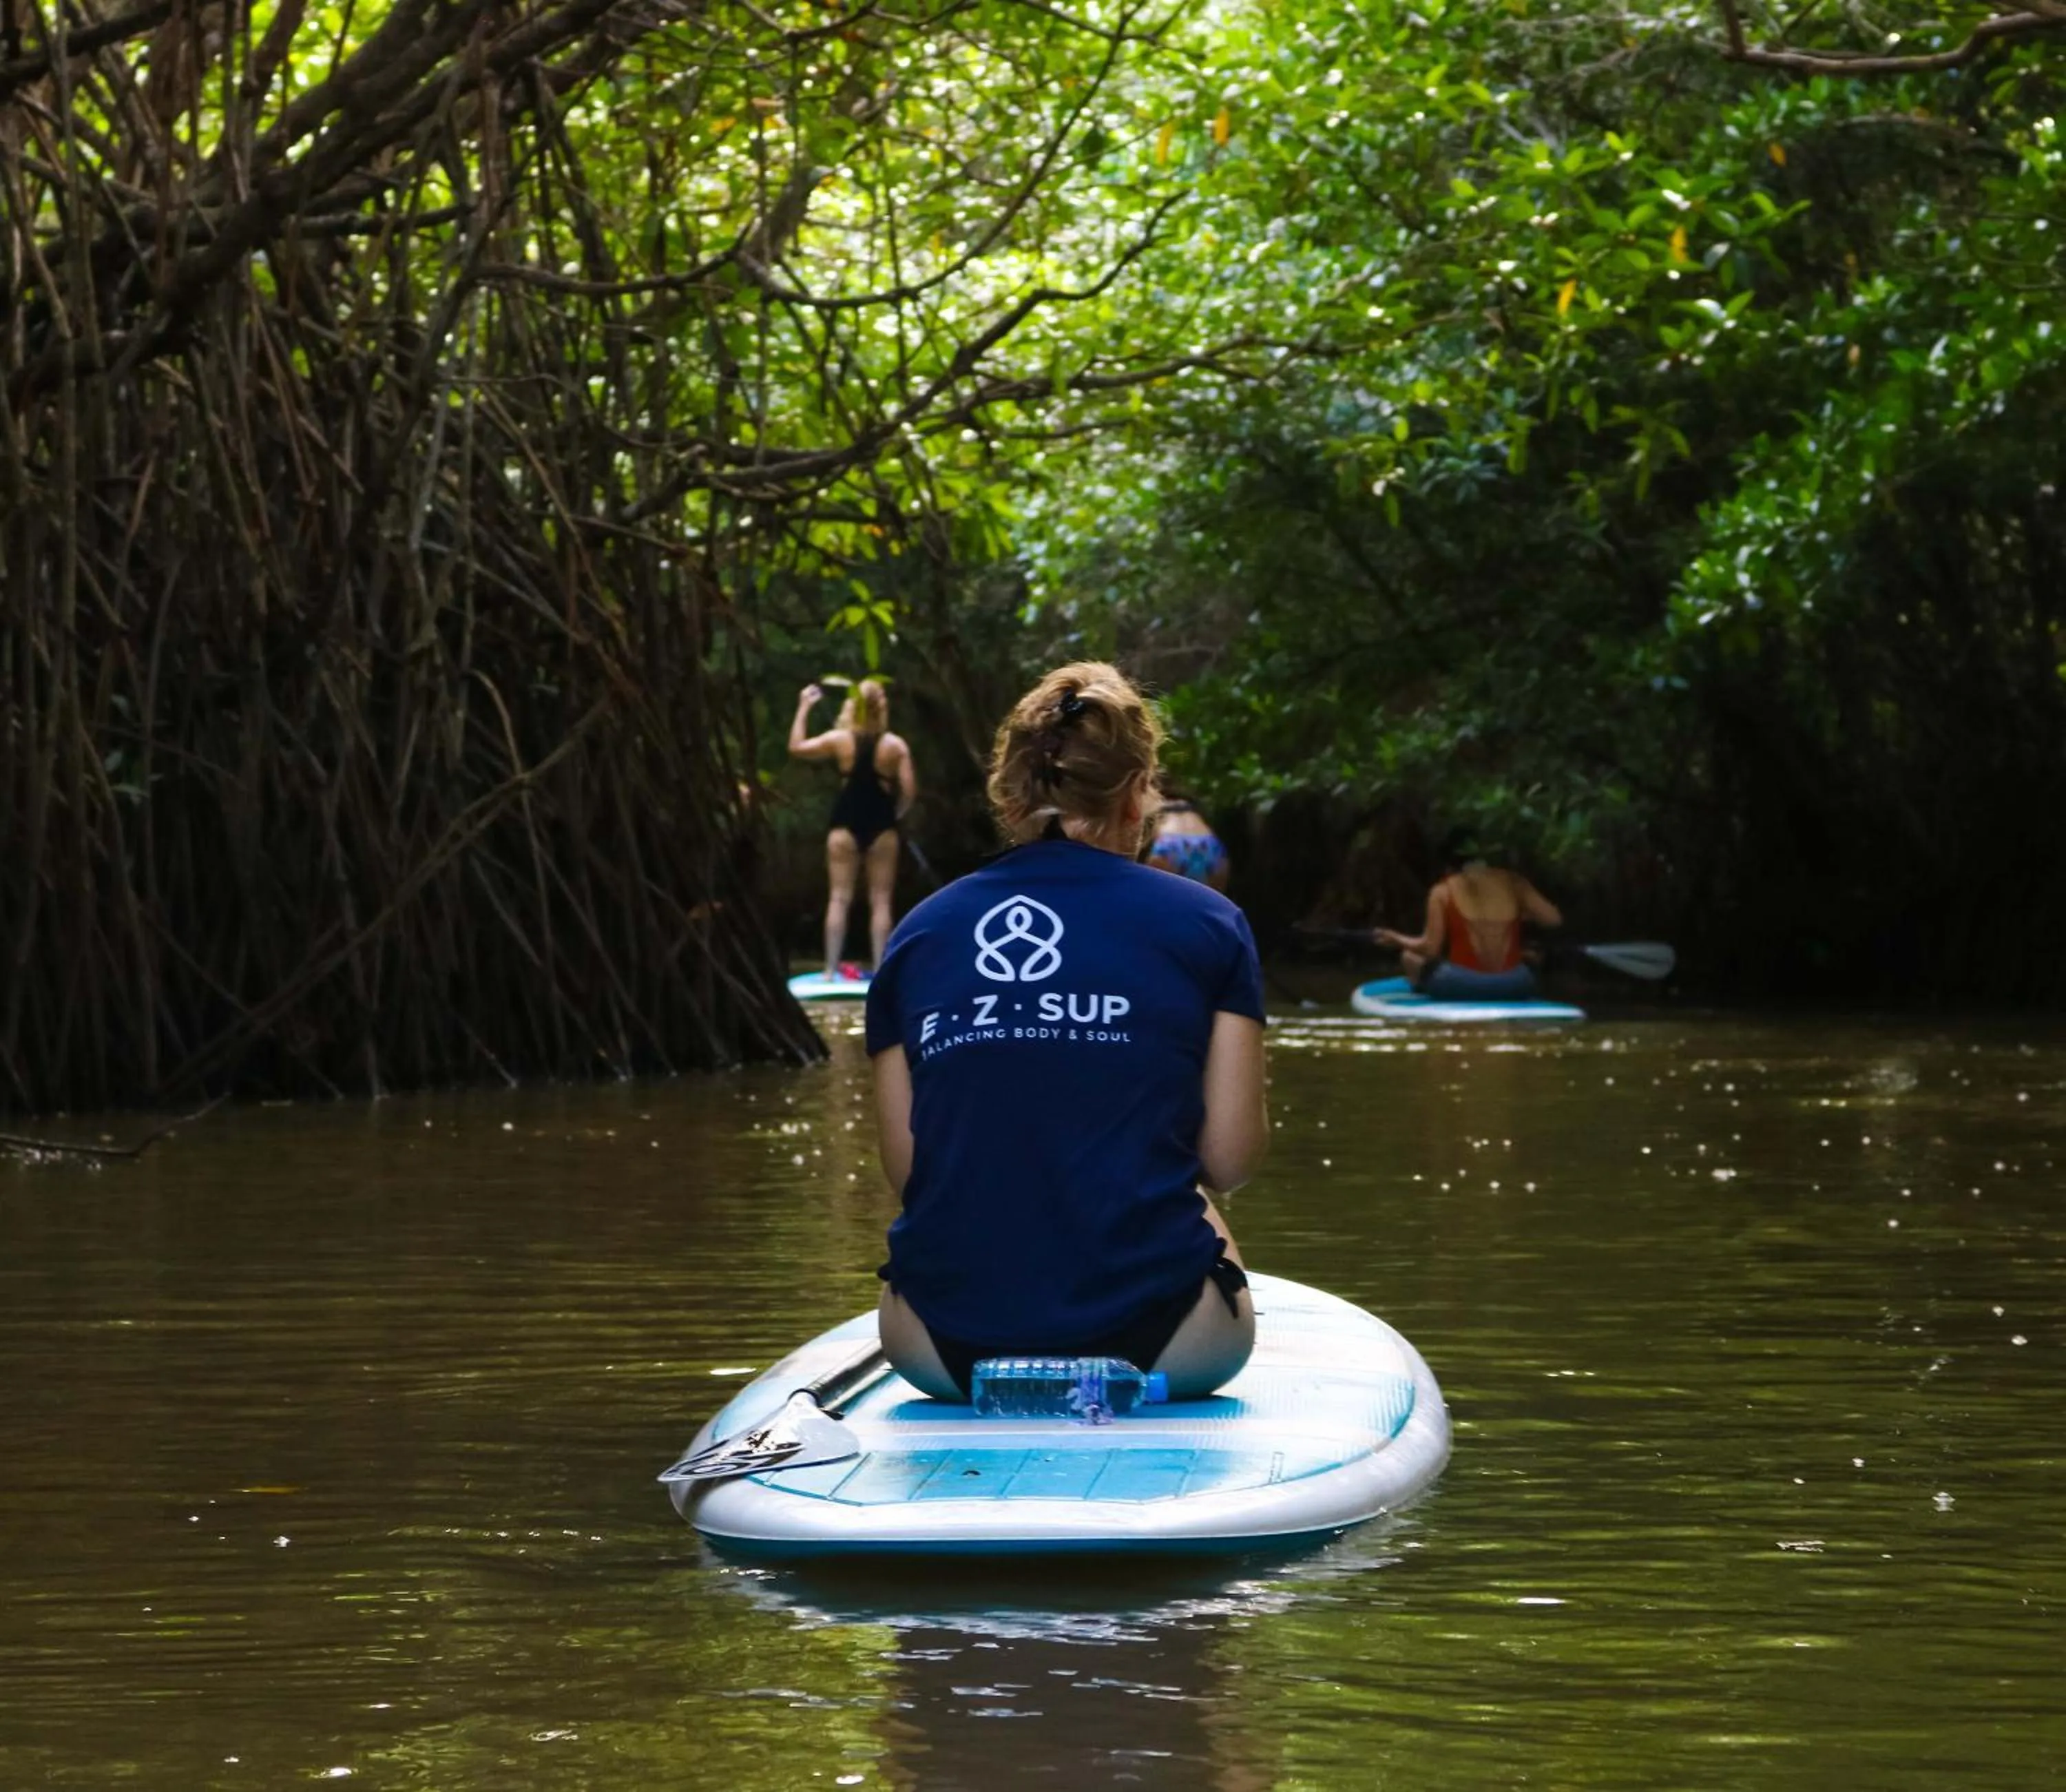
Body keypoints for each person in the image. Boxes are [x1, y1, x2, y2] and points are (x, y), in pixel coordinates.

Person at [864, 663, 1269, 1402]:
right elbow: (1231, 1157)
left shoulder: (917, 935)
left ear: (1009, 790)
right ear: (1140, 787)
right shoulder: (1212, 924)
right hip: (1169, 1340)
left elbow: (909, 1173)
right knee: (1199, 1194)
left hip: (938, 1345)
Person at [789, 678, 916, 977]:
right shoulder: (896, 746)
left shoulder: (839, 739)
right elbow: (909, 791)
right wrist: (895, 814)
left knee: (839, 897)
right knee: (881, 899)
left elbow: (796, 747)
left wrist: (804, 706)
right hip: (882, 825)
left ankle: (830, 971)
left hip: (844, 822)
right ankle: (882, 969)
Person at [1373, 830, 1563, 1000]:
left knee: (1409, 957)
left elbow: (1431, 948)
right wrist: (1521, 913)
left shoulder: (1442, 891)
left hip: (1460, 985)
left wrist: (1396, 939)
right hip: (1516, 985)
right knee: (1531, 957)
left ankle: (1422, 992)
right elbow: (1553, 920)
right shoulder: (1514, 882)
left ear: (1449, 863)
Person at [1145, 789, 1232, 890]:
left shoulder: (1155, 804)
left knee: (1163, 900)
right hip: (1209, 846)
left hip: (1170, 844)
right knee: (1211, 901)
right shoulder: (1192, 807)